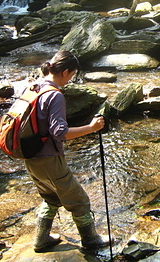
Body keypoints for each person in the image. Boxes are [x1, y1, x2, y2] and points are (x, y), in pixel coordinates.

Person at [24, 50, 109, 252]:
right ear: (65, 72)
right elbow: (60, 132)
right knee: (79, 200)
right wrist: (91, 128)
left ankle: (41, 239)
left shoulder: (33, 87)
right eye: (72, 75)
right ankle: (90, 240)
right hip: (49, 158)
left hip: (29, 156)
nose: (71, 79)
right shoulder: (54, 95)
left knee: (51, 196)